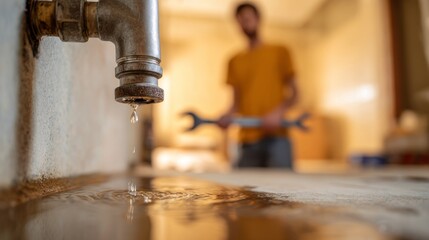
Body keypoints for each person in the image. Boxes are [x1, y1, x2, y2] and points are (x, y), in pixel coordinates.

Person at [217, 2, 298, 169]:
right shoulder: (233, 61)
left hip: (278, 138)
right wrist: (226, 115)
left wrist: (278, 113)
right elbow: (236, 103)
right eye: (240, 21)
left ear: (259, 19)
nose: (245, 23)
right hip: (246, 141)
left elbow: (296, 94)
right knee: (243, 193)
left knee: (282, 193)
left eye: (248, 18)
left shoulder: (280, 51)